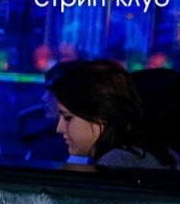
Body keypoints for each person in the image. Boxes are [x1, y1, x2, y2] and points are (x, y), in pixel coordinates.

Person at [51, 59, 179, 169]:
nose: (59, 128)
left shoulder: (117, 161)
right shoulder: (143, 153)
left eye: (68, 118)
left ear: (101, 115)